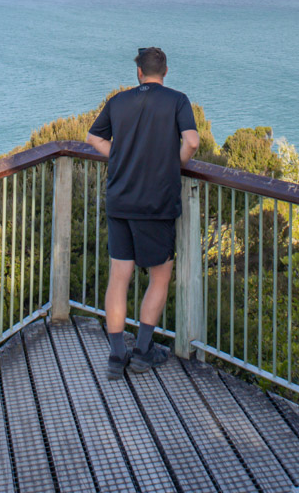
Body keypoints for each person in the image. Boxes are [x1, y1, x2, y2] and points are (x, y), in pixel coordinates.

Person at [86, 46, 200, 379]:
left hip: (120, 199)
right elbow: (191, 142)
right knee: (159, 276)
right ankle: (143, 350)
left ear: (139, 72)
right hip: (156, 203)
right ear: (165, 72)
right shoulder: (177, 100)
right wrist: (173, 162)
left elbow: (93, 138)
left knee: (119, 276)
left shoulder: (119, 100)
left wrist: (119, 155)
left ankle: (116, 355)